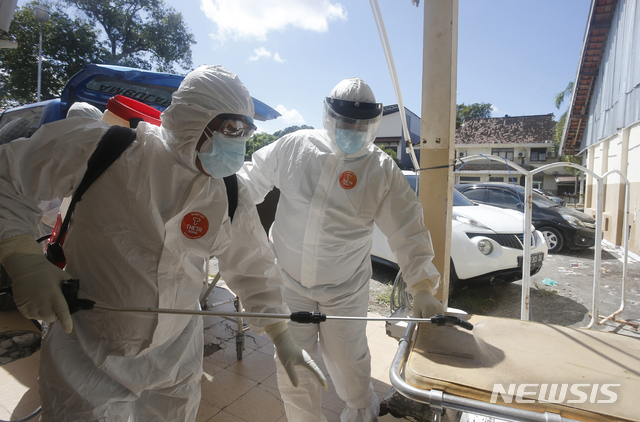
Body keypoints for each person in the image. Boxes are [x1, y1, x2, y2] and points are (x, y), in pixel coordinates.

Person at [0, 65, 326, 422]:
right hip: (88, 349)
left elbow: (253, 267)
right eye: (230, 128)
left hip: (175, 357)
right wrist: (21, 256)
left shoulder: (230, 191)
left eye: (245, 132)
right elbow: (7, 181)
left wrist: (281, 335)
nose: (237, 143)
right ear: (191, 119)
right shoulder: (102, 148)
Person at [238, 77, 443, 422]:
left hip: (345, 288)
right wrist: (216, 197)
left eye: (362, 124)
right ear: (329, 116)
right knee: (295, 368)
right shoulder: (295, 147)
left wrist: (421, 285)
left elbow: (407, 227)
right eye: (347, 121)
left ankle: (362, 412)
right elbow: (250, 180)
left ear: (373, 123)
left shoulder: (380, 169)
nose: (353, 129)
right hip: (290, 283)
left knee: (350, 362)